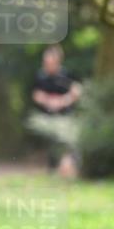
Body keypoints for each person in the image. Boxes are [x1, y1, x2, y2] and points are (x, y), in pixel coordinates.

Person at [31, 45, 82, 178]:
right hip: (47, 118)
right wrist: (48, 101)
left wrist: (63, 101)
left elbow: (76, 90)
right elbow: (36, 94)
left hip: (66, 116)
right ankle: (52, 169)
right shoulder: (41, 76)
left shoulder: (67, 75)